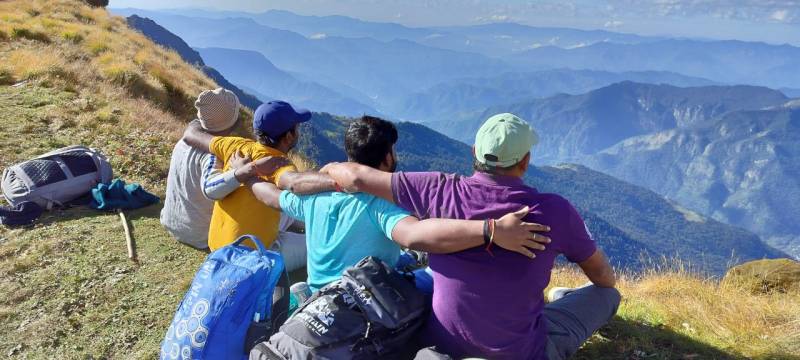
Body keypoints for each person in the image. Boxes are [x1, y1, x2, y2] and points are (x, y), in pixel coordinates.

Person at [321, 113, 621, 360]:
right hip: (520, 353)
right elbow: (602, 276)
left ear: (474, 153)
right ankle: (561, 300)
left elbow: (357, 176)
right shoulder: (555, 211)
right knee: (608, 295)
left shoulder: (438, 190)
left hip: (444, 347)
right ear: (525, 161)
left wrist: (331, 167)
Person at [239, 116, 552, 292]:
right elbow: (416, 235)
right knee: (430, 277)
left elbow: (274, 198)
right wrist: (491, 230)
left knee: (404, 260)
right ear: (387, 157)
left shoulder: (317, 194)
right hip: (361, 297)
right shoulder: (381, 205)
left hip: (319, 291)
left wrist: (248, 177)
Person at [182, 100, 334, 252]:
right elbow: (294, 183)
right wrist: (338, 179)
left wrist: (198, 120)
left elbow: (190, 135)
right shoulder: (278, 164)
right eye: (297, 128)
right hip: (252, 255)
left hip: (217, 247)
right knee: (321, 243)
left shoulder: (235, 146)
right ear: (289, 136)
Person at [160, 88, 242, 250]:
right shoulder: (212, 155)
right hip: (200, 235)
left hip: (171, 223)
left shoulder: (182, 143)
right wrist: (238, 173)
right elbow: (212, 188)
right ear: (231, 120)